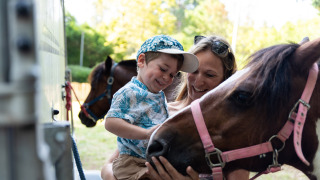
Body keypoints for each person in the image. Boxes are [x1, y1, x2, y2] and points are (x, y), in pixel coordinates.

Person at [101, 35, 247, 180]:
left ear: (226, 81)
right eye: (194, 71)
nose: (198, 81)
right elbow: (111, 164)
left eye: (209, 75)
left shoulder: (231, 128)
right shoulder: (160, 111)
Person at [104, 35, 199, 180]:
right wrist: (146, 134)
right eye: (163, 69)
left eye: (173, 74)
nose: (167, 78)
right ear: (141, 61)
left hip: (150, 160)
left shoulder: (157, 95)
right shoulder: (130, 92)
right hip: (131, 163)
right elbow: (111, 123)